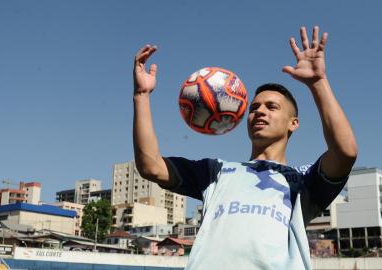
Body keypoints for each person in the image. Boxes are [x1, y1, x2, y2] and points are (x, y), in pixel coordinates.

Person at [132, 26, 357, 270]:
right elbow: (151, 166)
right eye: (253, 107)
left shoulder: (303, 180)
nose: (259, 111)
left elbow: (345, 152)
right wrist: (141, 95)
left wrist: (318, 83)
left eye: (271, 107)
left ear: (294, 123)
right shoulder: (215, 172)